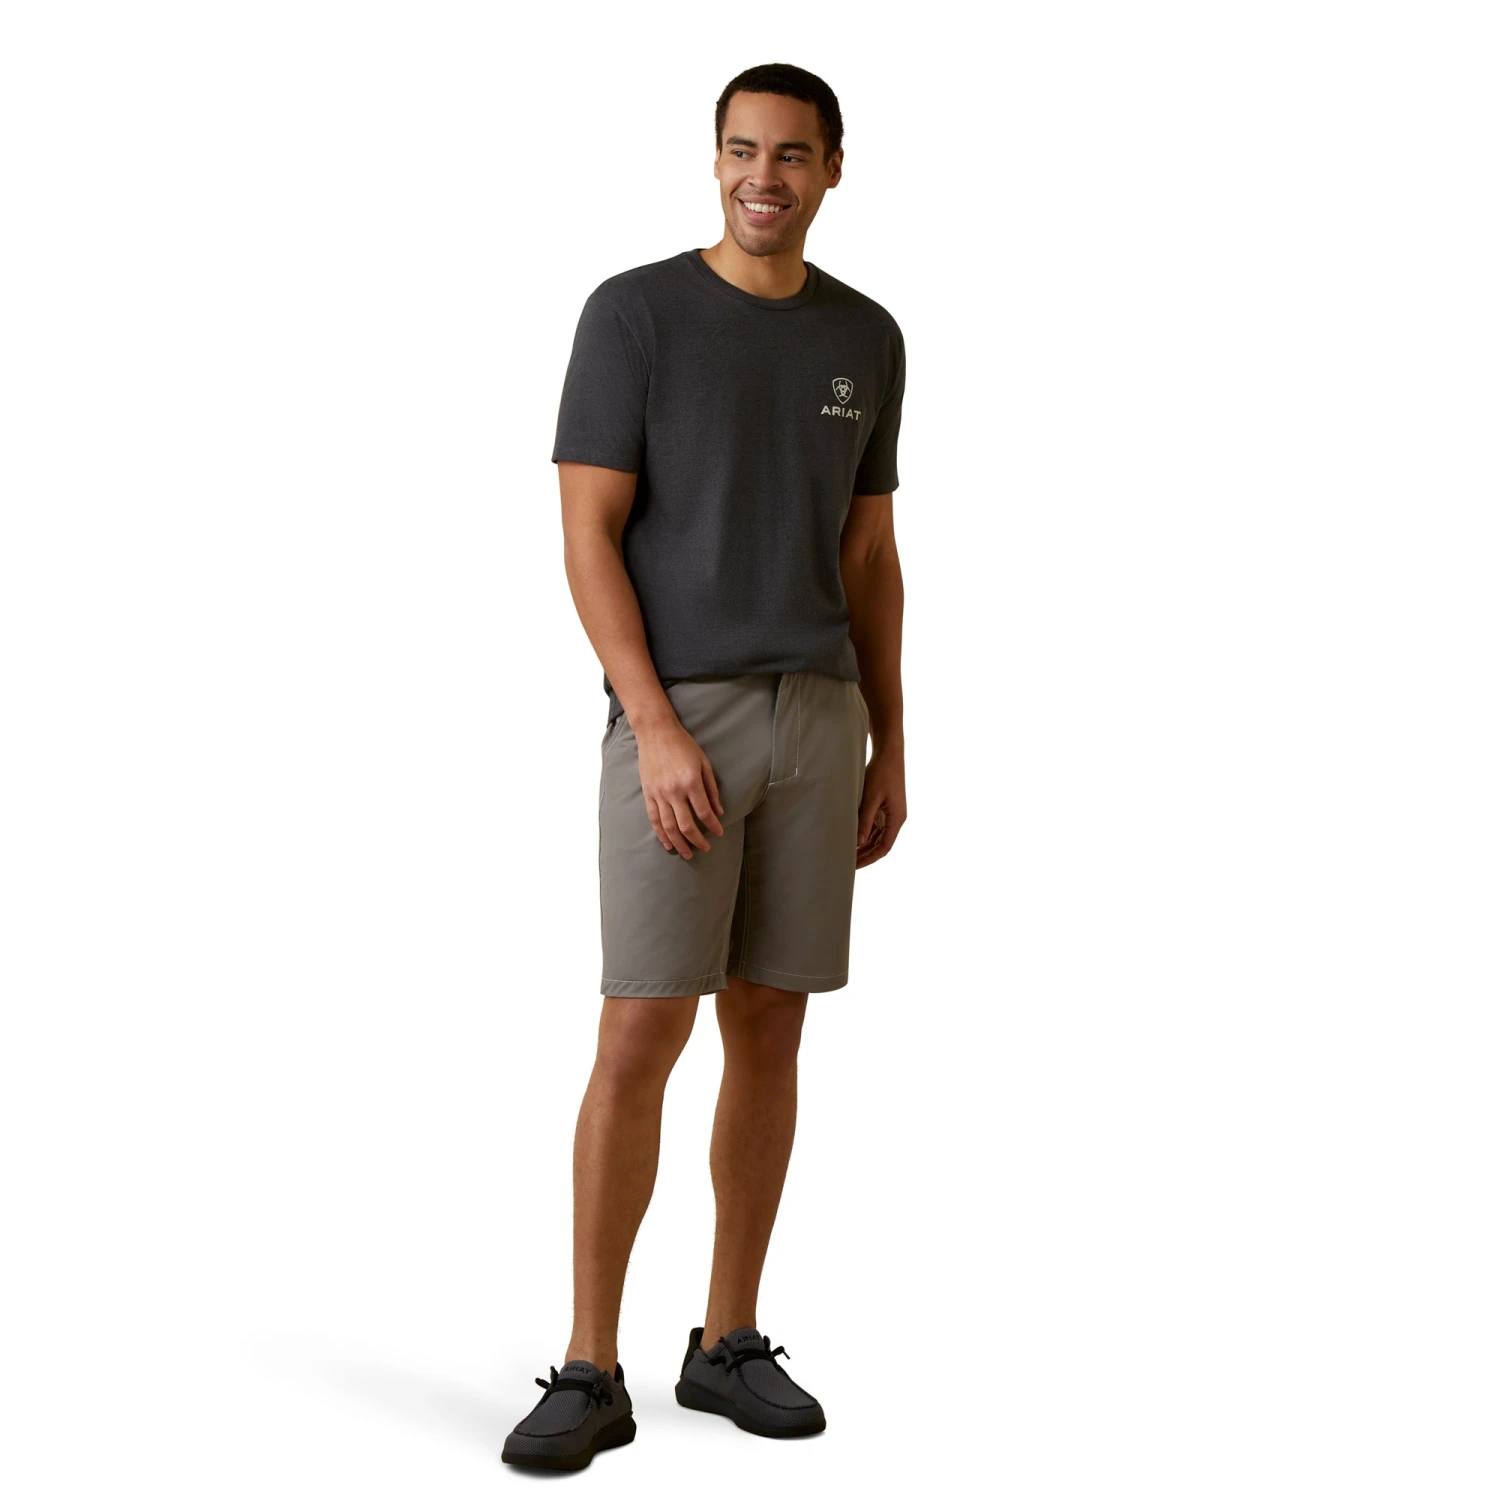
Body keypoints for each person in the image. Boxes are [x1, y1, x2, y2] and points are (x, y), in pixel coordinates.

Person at [502, 61, 908, 1471]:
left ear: (833, 167)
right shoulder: (635, 316)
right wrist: (656, 722)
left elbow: (871, 554)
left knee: (772, 1026)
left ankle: (726, 1340)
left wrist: (892, 736)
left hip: (820, 717)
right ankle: (590, 1364)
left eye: (791, 154)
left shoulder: (867, 336)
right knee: (640, 1030)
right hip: (679, 718)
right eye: (742, 149)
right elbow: (587, 536)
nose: (763, 177)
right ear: (715, 159)